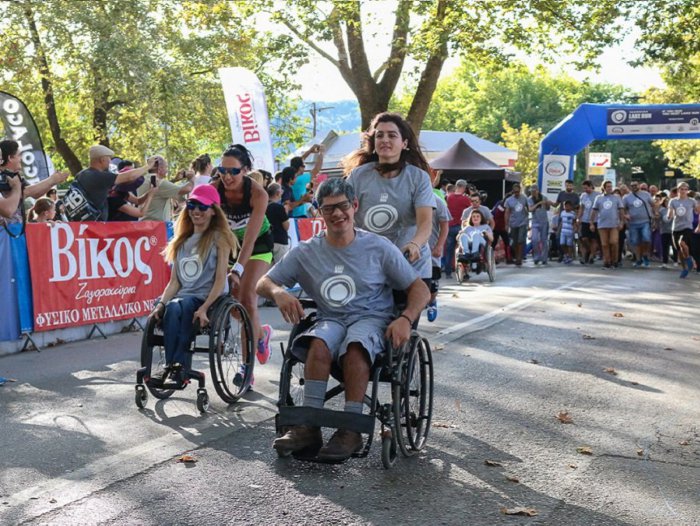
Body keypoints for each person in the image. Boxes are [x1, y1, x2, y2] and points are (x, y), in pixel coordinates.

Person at [256, 178, 430, 461]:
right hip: (332, 318)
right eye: (328, 209)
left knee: (355, 347)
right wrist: (278, 293)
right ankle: (308, 427)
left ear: (355, 206)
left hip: (372, 318)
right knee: (319, 342)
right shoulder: (307, 251)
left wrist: (406, 319)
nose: (337, 214)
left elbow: (419, 289)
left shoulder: (379, 247)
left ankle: (351, 430)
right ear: (319, 213)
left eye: (343, 206)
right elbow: (263, 282)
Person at [149, 184, 238, 385]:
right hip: (183, 299)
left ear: (213, 211)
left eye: (202, 207)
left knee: (183, 306)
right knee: (170, 307)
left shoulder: (219, 238)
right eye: (192, 205)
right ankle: (175, 367)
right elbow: (174, 282)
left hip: (209, 298)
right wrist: (161, 304)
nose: (196, 211)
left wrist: (205, 308)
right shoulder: (181, 241)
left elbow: (220, 280)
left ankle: (175, 367)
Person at [344, 112, 434, 287]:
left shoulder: (419, 178)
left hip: (410, 263)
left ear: (404, 143)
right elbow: (344, 214)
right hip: (368, 263)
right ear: (373, 143)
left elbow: (425, 223)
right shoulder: (358, 176)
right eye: (379, 135)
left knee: (405, 314)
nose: (385, 140)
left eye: (392, 135)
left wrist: (415, 244)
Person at [211, 144, 275, 381]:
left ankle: (246, 370)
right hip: (230, 244)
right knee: (235, 304)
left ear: (246, 170)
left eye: (234, 172)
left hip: (257, 244)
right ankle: (260, 334)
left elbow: (248, 240)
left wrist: (238, 269)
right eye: (222, 170)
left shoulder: (258, 194)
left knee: (248, 298)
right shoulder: (214, 189)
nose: (227, 176)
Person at [1, 139, 68, 228]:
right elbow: (9, 208)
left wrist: (53, 181)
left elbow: (35, 193)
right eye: (19, 155)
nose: (21, 158)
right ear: (10, 158)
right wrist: (17, 188)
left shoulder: (15, 176)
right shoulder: (6, 179)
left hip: (17, 232)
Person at [74, 145, 152, 221]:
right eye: (109, 158)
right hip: (95, 225)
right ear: (102, 159)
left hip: (81, 221)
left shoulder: (81, 174)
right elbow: (129, 177)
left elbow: (137, 200)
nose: (110, 161)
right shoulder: (100, 176)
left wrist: (150, 192)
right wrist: (148, 166)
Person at [138, 155, 193, 221]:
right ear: (159, 168)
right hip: (157, 227)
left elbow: (160, 191)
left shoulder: (142, 180)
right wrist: (192, 178)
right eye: (166, 167)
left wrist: (175, 180)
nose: (167, 170)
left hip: (143, 224)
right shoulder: (160, 182)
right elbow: (187, 189)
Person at [427, 193, 450, 322]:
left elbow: (445, 225)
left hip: (431, 250)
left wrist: (439, 245)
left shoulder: (437, 201)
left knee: (432, 284)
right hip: (412, 250)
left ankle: (432, 301)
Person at [590, 181, 624, 269]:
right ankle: (607, 262)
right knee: (604, 244)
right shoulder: (599, 198)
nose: (610, 188)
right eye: (608, 187)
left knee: (614, 242)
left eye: (611, 186)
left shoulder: (616, 198)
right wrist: (591, 223)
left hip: (613, 225)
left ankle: (615, 260)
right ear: (604, 188)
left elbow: (621, 210)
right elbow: (594, 211)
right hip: (602, 224)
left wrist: (621, 222)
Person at [443, 179, 472, 278]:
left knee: (449, 250)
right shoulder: (465, 199)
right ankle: (464, 272)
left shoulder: (448, 197)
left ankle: (448, 272)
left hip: (450, 226)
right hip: (461, 227)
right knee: (463, 249)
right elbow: (471, 211)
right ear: (463, 187)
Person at [667, 182, 696, 278]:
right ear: (678, 190)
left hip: (687, 226)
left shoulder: (691, 201)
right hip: (676, 227)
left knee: (682, 243)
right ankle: (684, 268)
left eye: (685, 189)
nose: (683, 191)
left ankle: (688, 259)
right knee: (679, 250)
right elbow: (670, 211)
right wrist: (669, 215)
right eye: (681, 189)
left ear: (687, 190)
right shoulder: (673, 201)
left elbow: (698, 211)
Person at [623, 180, 654, 268]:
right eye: (632, 186)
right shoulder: (627, 197)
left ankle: (645, 254)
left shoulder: (646, 194)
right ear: (630, 187)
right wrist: (626, 215)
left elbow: (653, 204)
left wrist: (655, 213)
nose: (634, 187)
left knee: (646, 238)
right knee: (636, 242)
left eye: (635, 185)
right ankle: (638, 259)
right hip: (633, 223)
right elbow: (622, 208)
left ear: (639, 186)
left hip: (645, 221)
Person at [289, 144, 325, 219]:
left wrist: (310, 151)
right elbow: (317, 169)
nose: (305, 168)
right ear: (300, 168)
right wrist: (321, 153)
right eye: (303, 166)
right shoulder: (300, 179)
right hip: (299, 214)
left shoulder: (290, 176)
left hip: (291, 213)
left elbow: (298, 161)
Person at [504, 183, 529, 267]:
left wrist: (528, 219)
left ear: (520, 190)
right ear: (513, 191)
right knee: (514, 242)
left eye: (518, 192)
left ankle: (519, 258)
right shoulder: (509, 200)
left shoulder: (524, 198)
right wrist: (506, 224)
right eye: (515, 192)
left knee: (520, 240)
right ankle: (517, 255)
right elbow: (507, 212)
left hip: (523, 222)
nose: (516, 193)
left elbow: (529, 208)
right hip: (513, 223)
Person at [265, 183, 290, 264]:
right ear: (278, 193)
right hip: (280, 241)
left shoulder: (263, 206)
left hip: (266, 242)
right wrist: (285, 213)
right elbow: (286, 226)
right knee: (282, 270)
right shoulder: (279, 208)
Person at [577, 180, 600, 264]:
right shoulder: (583, 196)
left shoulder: (598, 195)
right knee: (584, 238)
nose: (585, 190)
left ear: (591, 186)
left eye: (586, 188)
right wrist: (578, 218)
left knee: (594, 239)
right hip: (585, 220)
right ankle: (590, 251)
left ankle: (591, 256)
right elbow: (581, 208)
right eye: (584, 188)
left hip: (595, 220)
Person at [528, 185, 550, 265]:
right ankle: (536, 257)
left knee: (544, 240)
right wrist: (539, 203)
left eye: (534, 191)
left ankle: (544, 258)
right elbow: (530, 209)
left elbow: (548, 208)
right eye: (531, 191)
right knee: (534, 240)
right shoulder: (530, 199)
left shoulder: (544, 197)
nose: (532, 192)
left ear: (537, 190)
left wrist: (547, 204)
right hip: (535, 222)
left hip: (544, 221)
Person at [654, 193, 673, 269]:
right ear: (664, 202)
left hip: (673, 230)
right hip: (664, 231)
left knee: (675, 247)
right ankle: (665, 262)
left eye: (669, 202)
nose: (667, 203)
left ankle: (676, 260)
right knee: (665, 247)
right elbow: (657, 218)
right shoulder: (662, 210)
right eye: (666, 202)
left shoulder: (674, 209)